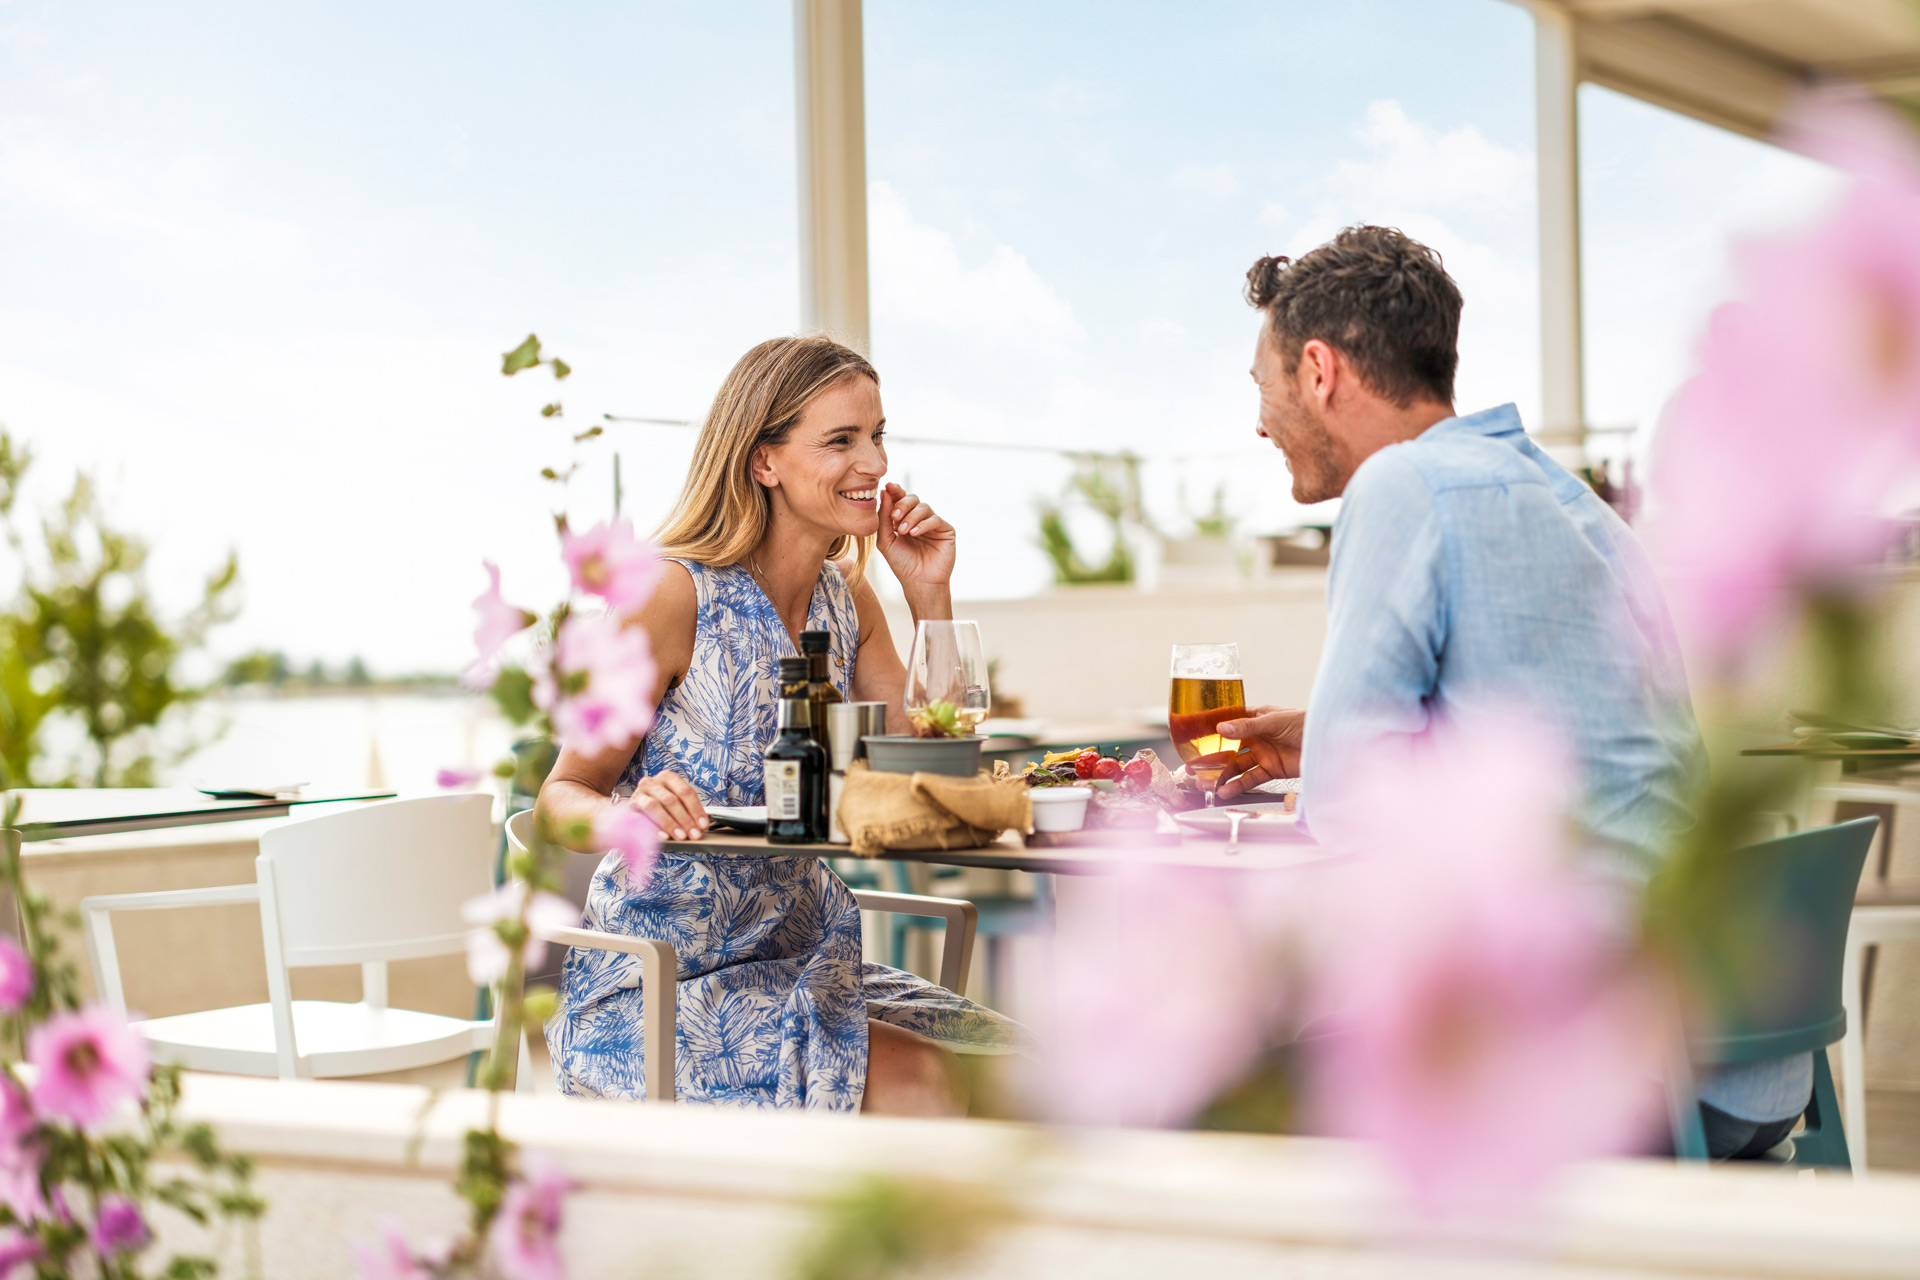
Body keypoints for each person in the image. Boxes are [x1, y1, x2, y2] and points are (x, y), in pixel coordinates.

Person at [1214, 225, 1797, 1160]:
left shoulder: (1402, 485)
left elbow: (1346, 807)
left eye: (1264, 388)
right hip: (1743, 1061)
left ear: (1319, 371)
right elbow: (1575, 752)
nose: (1260, 422)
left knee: (1218, 1099)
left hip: (1610, 1075)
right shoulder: (1573, 505)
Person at [537, 334, 1022, 1114]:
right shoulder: (668, 597)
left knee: (1028, 1067)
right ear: (764, 461)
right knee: (934, 1084)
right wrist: (628, 814)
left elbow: (928, 775)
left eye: (878, 436)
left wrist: (931, 594)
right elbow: (560, 796)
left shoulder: (849, 600)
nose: (874, 464)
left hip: (809, 959)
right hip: (662, 987)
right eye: (841, 441)